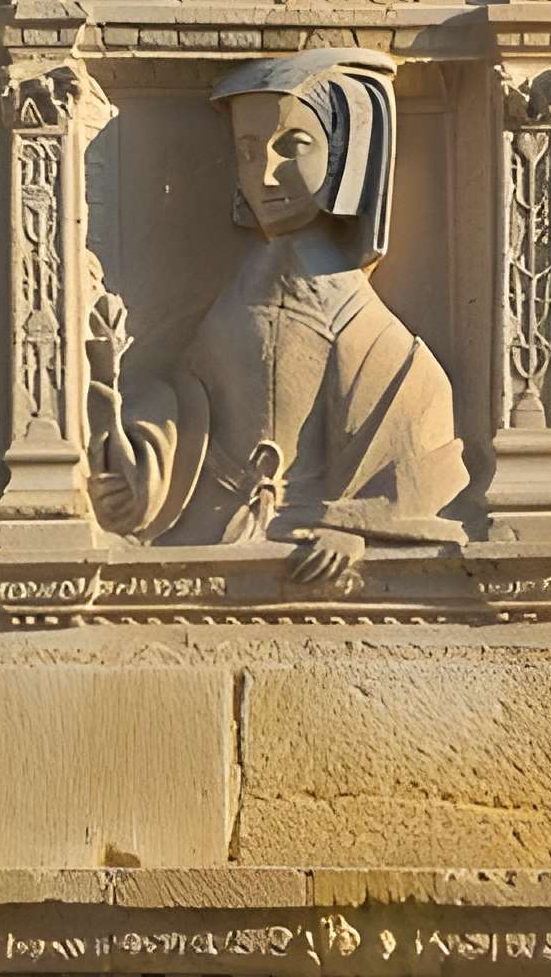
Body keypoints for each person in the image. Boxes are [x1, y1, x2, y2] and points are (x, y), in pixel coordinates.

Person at [88, 47, 469, 596]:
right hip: (210, 539)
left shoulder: (370, 333)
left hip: (297, 544)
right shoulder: (241, 296)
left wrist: (356, 528)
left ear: (346, 154)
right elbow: (194, 405)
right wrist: (112, 405)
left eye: (292, 146)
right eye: (247, 150)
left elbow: (412, 425)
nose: (263, 173)